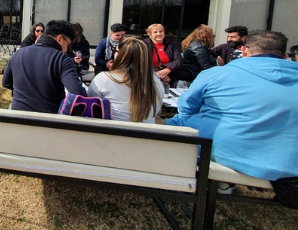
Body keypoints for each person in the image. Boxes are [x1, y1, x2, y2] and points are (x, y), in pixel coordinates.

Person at [167, 30, 298, 181]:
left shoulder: (215, 74)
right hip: (288, 162)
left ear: (244, 50)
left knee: (176, 122)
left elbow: (186, 109)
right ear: (285, 57)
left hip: (222, 151)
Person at [3, 20, 87, 114]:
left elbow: (6, 82)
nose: (67, 48)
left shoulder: (18, 54)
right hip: (49, 121)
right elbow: (78, 93)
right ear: (59, 39)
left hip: (17, 118)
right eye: (68, 44)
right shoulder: (62, 59)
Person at [88, 37, 164, 123]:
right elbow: (155, 111)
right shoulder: (156, 82)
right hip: (147, 133)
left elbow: (92, 105)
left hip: (112, 132)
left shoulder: (104, 78)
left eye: (115, 51)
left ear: (120, 55)